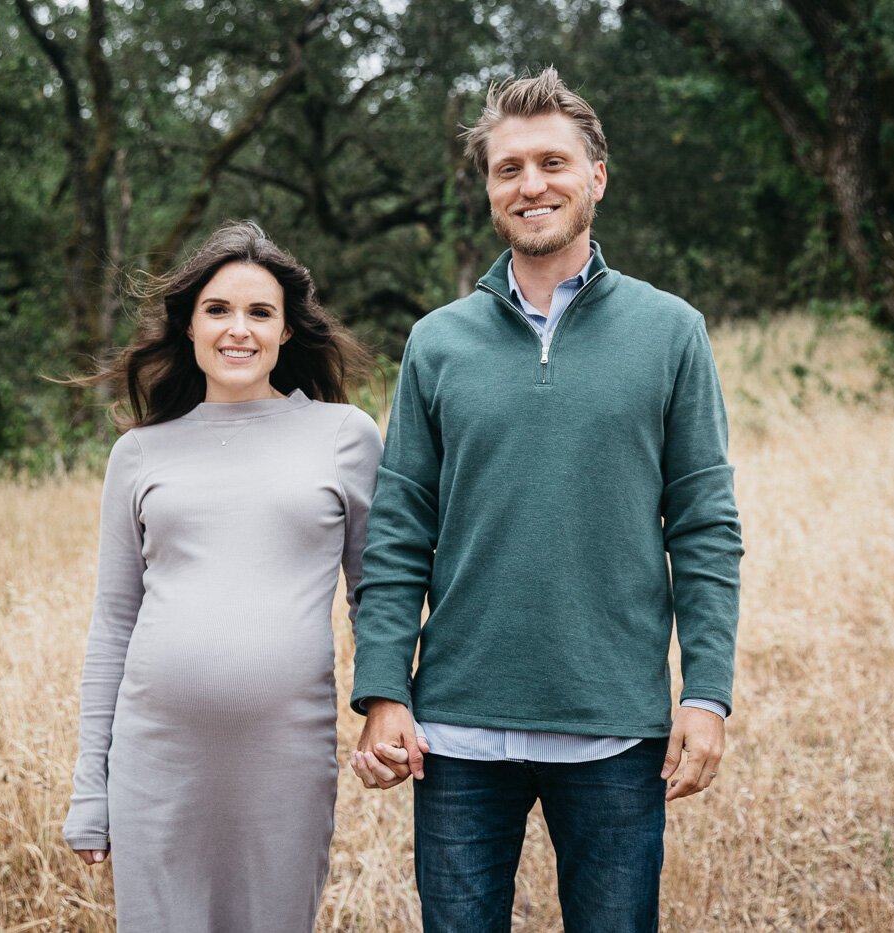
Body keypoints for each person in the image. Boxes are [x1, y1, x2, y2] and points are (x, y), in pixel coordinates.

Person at [348, 69, 744, 932]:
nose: (531, 185)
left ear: (597, 174)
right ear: (489, 187)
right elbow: (399, 530)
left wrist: (706, 694)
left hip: (615, 730)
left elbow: (707, 526)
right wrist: (384, 687)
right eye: (508, 168)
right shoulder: (436, 341)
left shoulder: (670, 330)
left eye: (553, 162)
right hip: (454, 735)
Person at [61, 220, 381, 932]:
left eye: (260, 312)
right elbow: (114, 621)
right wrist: (92, 786)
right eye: (219, 309)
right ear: (189, 325)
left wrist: (386, 706)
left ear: (287, 331)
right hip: (156, 757)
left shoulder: (345, 437)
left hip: (284, 757)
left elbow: (376, 597)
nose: (239, 329)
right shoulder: (140, 454)